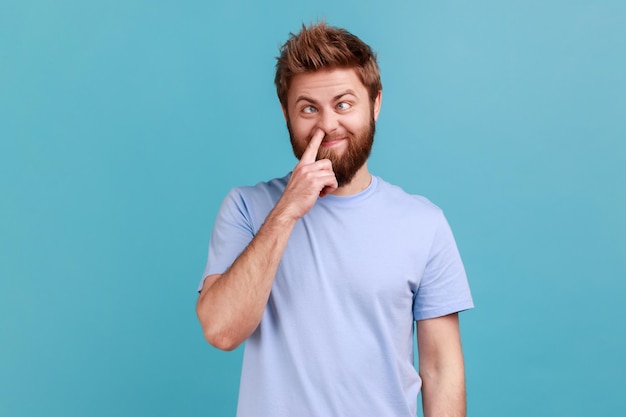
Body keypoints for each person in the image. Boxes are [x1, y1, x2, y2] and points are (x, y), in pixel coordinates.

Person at [196, 22, 473, 417]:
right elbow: (221, 330)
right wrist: (287, 210)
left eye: (343, 104)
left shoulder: (424, 223)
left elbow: (441, 368)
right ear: (286, 114)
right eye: (309, 108)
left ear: (375, 103)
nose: (327, 125)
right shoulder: (247, 207)